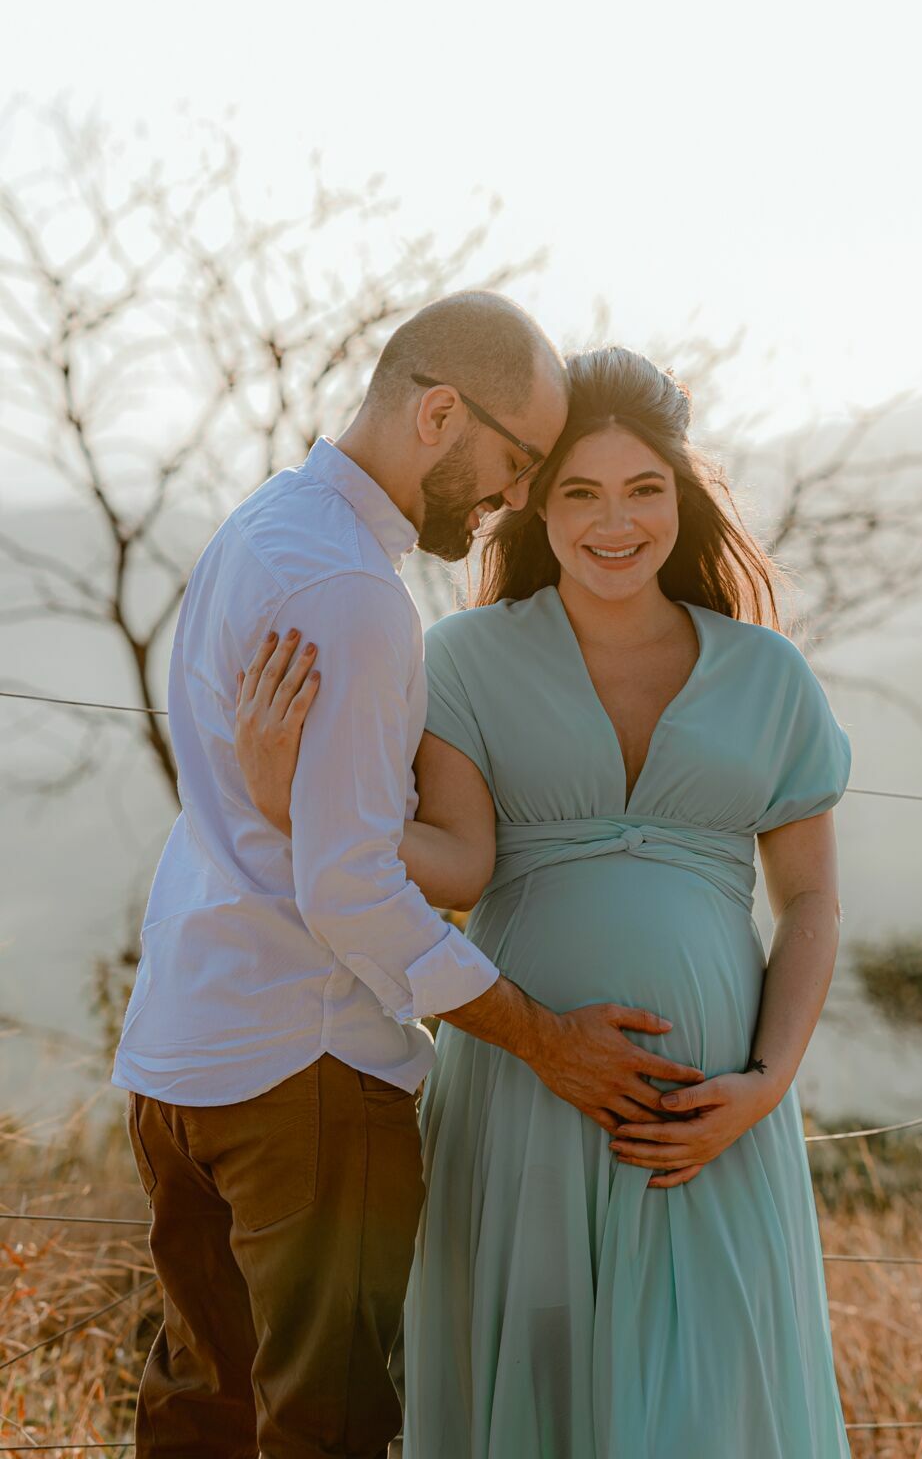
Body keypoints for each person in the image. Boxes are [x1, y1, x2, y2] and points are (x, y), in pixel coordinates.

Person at [111, 297, 705, 1459]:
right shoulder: (354, 594)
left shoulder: (263, 527)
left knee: (199, 1418)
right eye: (520, 460)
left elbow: (279, 823)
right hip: (305, 1074)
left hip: (181, 1053)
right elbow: (350, 895)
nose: (521, 496)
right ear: (440, 412)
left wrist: (317, 814)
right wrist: (545, 1039)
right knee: (323, 1431)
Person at [235, 345, 855, 1457]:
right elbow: (453, 862)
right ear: (535, 504)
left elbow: (810, 902)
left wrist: (765, 1085)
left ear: (683, 498)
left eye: (643, 489)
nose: (613, 522)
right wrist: (301, 806)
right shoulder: (465, 660)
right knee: (535, 1398)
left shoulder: (770, 676)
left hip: (706, 1113)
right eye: (580, 491)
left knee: (709, 1408)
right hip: (525, 1093)